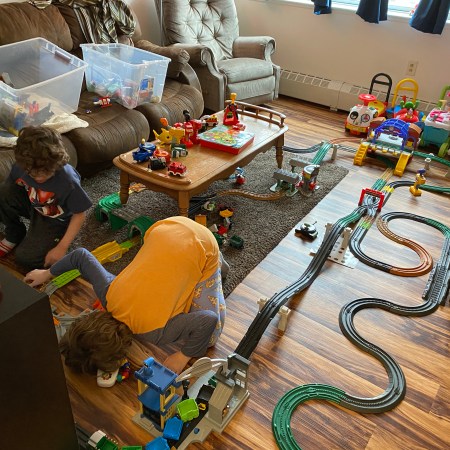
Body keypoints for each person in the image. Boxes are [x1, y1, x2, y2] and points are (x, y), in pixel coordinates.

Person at [24, 216, 228, 374]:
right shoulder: (108, 293)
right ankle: (215, 267)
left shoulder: (157, 334)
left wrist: (183, 356)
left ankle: (215, 264)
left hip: (203, 243)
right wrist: (46, 273)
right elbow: (80, 256)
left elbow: (208, 320)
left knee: (210, 338)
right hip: (166, 227)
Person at [0, 126, 92, 270]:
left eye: (46, 172)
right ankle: (15, 232)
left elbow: (80, 214)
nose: (39, 177)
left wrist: (62, 247)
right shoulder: (22, 166)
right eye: (32, 173)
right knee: (3, 190)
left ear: (57, 162)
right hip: (35, 206)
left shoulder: (67, 180)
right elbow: (11, 189)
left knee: (25, 259)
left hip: (57, 220)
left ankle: (57, 240)